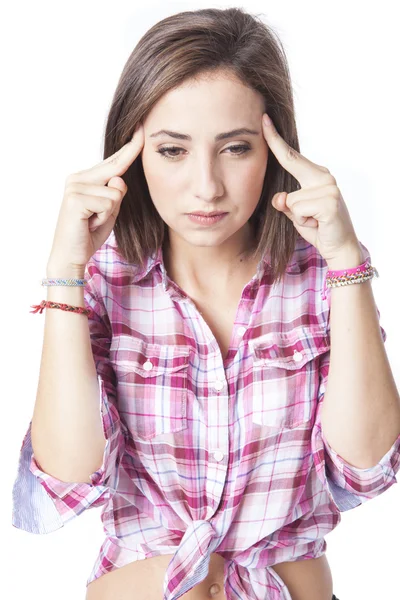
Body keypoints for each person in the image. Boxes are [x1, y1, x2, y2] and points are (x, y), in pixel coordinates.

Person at [11, 6, 400, 600]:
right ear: (133, 154)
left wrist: (349, 263)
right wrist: (65, 275)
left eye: (236, 148)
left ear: (274, 151)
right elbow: (67, 480)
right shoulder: (104, 285)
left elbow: (367, 467)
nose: (207, 186)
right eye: (172, 150)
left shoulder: (325, 280)